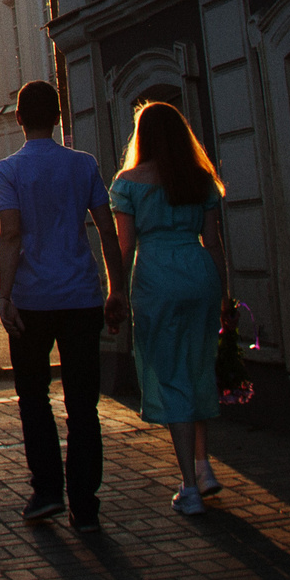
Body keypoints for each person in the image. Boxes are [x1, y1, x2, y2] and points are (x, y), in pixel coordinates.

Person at [0, 79, 128, 529]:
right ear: (58, 117)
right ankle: (85, 506)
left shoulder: (8, 171)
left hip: (31, 301)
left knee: (34, 397)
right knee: (83, 404)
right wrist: (117, 289)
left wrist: (5, 294)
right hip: (81, 298)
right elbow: (106, 230)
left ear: (18, 119)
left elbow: (11, 234)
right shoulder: (84, 164)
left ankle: (47, 491)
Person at [109, 101, 232, 516]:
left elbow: (126, 246)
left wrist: (116, 292)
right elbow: (213, 243)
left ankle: (189, 487)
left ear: (141, 137)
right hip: (199, 274)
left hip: (156, 279)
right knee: (198, 366)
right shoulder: (200, 180)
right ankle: (204, 466)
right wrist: (224, 295)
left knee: (172, 375)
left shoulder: (128, 183)